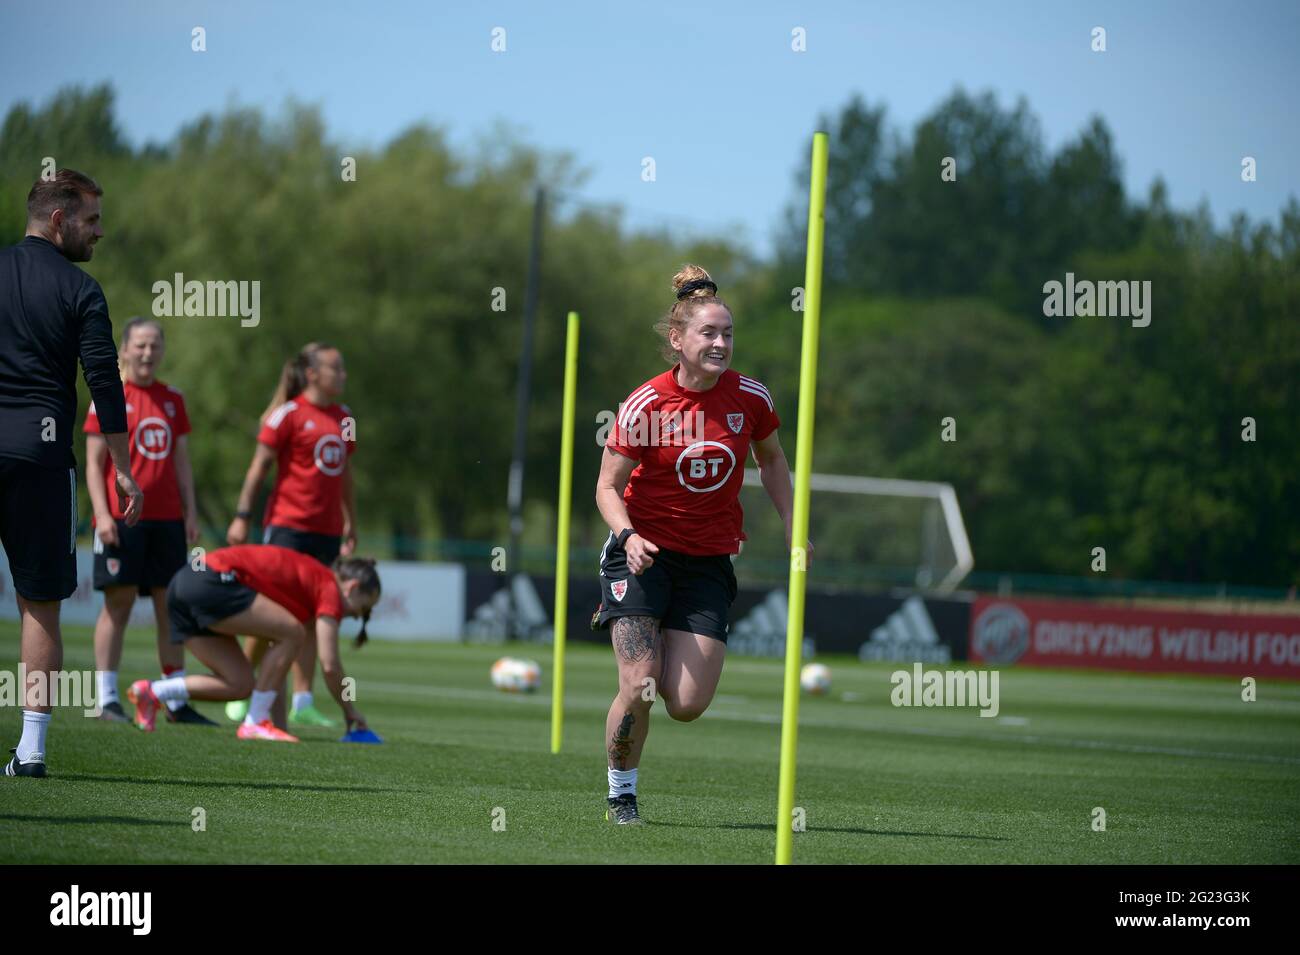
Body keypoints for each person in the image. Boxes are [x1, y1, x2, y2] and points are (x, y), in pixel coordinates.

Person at [592, 265, 809, 824]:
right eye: (709, 334)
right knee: (640, 686)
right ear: (677, 340)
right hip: (641, 554)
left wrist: (793, 522)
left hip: (709, 560)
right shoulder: (647, 405)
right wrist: (628, 535)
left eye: (728, 334)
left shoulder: (751, 398)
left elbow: (774, 459)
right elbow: (607, 487)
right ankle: (622, 791)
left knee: (685, 705)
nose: (720, 344)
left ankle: (657, 639)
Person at [1, 169, 143, 778]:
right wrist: (124, 469)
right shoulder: (82, 289)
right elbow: (105, 385)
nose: (100, 232)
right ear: (59, 221)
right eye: (91, 219)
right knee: (40, 606)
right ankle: (31, 751)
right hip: (40, 457)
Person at [85, 317, 215, 725]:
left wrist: (190, 511)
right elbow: (93, 464)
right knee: (118, 605)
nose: (147, 352)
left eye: (155, 345)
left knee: (169, 608)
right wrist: (103, 515)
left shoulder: (173, 399)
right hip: (122, 521)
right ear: (124, 350)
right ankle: (106, 699)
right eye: (140, 345)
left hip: (167, 522)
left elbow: (181, 460)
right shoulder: (108, 397)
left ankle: (173, 699)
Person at [225, 343, 358, 728]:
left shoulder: (346, 418)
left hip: (326, 532)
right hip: (287, 529)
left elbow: (345, 475)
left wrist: (351, 520)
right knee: (273, 614)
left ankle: (303, 699)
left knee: (316, 615)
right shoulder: (287, 415)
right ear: (313, 374)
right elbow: (258, 469)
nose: (343, 375)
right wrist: (241, 516)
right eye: (337, 368)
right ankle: (248, 685)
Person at [128, 545, 379, 741]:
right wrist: (350, 710)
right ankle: (255, 722)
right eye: (363, 608)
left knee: (240, 684)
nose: (357, 616)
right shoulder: (329, 588)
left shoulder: (312, 584)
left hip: (184, 584)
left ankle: (153, 692)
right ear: (352, 587)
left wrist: (281, 729)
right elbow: (330, 664)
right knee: (294, 633)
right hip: (212, 579)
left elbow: (276, 663)